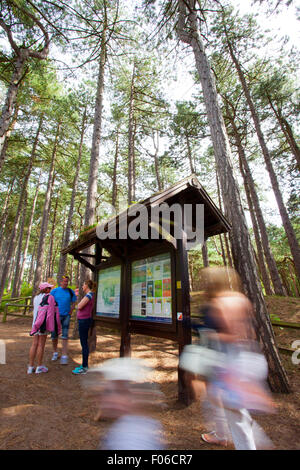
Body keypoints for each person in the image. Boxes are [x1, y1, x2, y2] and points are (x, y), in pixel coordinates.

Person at [200, 266, 274, 450]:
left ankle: (252, 443)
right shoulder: (241, 299)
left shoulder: (219, 303)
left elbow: (233, 336)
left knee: (236, 417)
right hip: (250, 357)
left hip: (232, 363)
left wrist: (210, 335)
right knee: (224, 402)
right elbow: (250, 334)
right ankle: (223, 434)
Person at [82, 357, 165, 450]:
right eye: (106, 391)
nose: (106, 398)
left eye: (119, 392)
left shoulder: (130, 439)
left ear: (135, 396)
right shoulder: (141, 426)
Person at [28, 282, 61, 374]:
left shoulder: (35, 298)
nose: (50, 290)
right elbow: (50, 314)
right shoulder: (49, 297)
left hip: (35, 324)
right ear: (46, 289)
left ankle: (30, 367)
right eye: (49, 288)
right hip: (43, 325)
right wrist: (52, 327)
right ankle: (39, 366)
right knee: (41, 345)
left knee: (34, 344)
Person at [51, 275, 77, 365]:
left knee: (65, 335)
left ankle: (64, 355)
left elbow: (74, 301)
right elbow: (50, 302)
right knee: (54, 335)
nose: (65, 283)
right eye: (64, 281)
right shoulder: (54, 291)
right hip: (55, 316)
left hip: (66, 316)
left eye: (67, 281)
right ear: (61, 282)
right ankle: (55, 352)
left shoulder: (70, 291)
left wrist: (71, 311)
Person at [72, 279, 96, 375]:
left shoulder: (89, 295)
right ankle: (84, 365)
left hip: (84, 321)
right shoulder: (89, 295)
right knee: (83, 343)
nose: (82, 286)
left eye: (83, 284)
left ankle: (85, 367)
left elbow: (80, 306)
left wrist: (78, 305)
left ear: (86, 285)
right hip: (84, 320)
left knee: (84, 343)